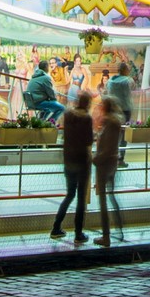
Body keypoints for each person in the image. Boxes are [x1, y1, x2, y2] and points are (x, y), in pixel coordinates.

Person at [50, 92, 97, 243]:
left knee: (70, 194)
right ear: (88, 103)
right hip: (82, 160)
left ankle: (56, 227)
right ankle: (78, 233)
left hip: (68, 159)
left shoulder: (68, 115)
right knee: (81, 198)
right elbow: (89, 140)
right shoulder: (86, 118)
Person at [93, 95, 126, 247]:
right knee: (110, 197)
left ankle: (106, 236)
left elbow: (106, 147)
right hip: (110, 162)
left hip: (105, 164)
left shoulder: (110, 123)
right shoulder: (113, 122)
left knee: (104, 201)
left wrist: (95, 159)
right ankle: (118, 229)